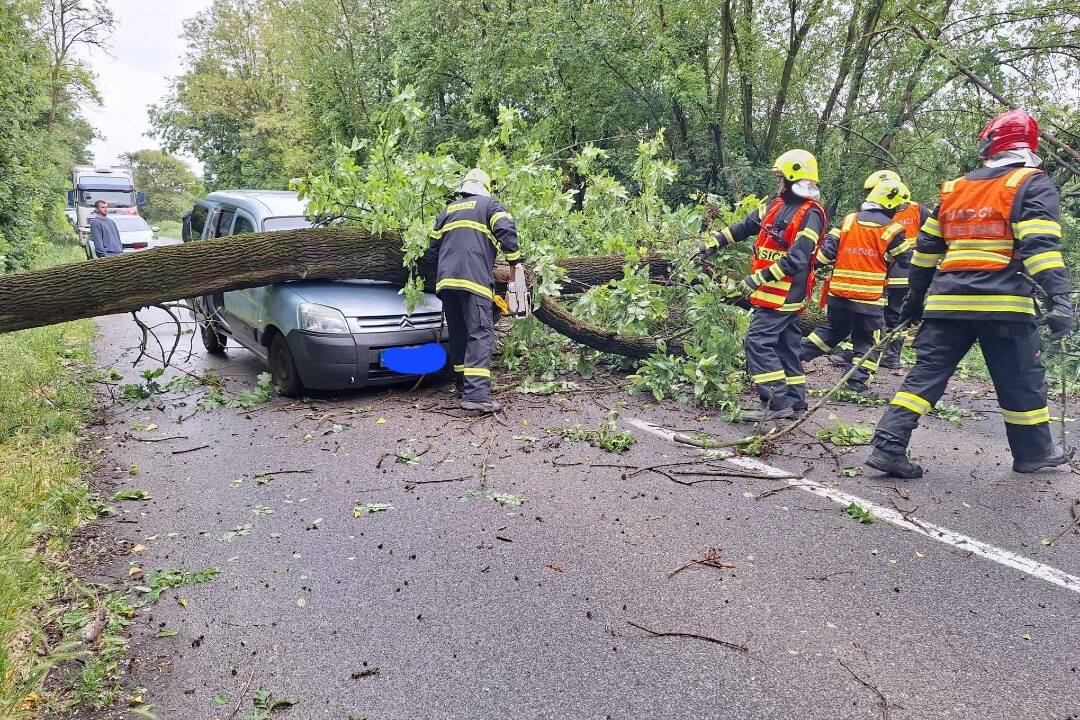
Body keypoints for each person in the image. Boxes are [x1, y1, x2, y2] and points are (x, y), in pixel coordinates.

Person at [866, 109, 1074, 478]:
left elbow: (926, 251)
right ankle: (1034, 453)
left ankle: (888, 446)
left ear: (988, 144)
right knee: (1021, 379)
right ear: (1028, 147)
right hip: (1003, 306)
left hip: (947, 303)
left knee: (926, 375)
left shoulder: (955, 188)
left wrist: (915, 302)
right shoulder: (1031, 183)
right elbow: (1039, 248)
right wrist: (1060, 299)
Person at [702, 149, 827, 421]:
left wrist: (757, 278)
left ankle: (775, 402)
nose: (778, 183)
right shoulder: (775, 205)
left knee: (757, 342)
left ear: (794, 179)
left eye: (781, 178)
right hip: (772, 291)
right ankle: (795, 404)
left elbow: (797, 259)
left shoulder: (810, 215)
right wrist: (714, 242)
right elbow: (746, 226)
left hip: (785, 293)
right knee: (785, 346)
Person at [801, 179, 913, 396]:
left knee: (833, 331)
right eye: (898, 208)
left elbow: (823, 257)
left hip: (838, 296)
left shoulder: (848, 221)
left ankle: (794, 357)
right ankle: (857, 384)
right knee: (868, 340)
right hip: (868, 300)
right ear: (890, 206)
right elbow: (908, 262)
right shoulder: (893, 230)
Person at [429, 168, 521, 415]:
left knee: (459, 334)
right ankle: (478, 397)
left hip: (446, 283)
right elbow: (506, 229)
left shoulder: (447, 210)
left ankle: (462, 388)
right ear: (484, 187)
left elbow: (432, 248)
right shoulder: (489, 205)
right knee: (480, 334)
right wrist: (515, 264)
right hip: (474, 281)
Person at [830, 171, 929, 369]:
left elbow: (931, 237)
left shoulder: (918, 210)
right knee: (868, 315)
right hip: (878, 271)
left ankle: (889, 355)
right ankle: (859, 353)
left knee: (892, 315)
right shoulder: (879, 213)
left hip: (900, 270)